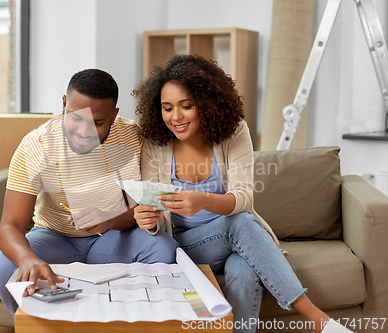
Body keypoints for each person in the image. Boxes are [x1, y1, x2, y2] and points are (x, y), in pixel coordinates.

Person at [132, 54, 353, 333]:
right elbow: (153, 208)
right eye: (167, 108)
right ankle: (318, 320)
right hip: (187, 245)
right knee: (240, 223)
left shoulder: (233, 132)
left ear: (206, 104)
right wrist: (147, 220)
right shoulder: (155, 143)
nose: (175, 117)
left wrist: (202, 200)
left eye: (186, 106)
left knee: (244, 271)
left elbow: (244, 197)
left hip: (236, 240)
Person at [0, 68, 178, 316]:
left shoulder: (131, 136)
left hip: (113, 237)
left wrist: (108, 218)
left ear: (114, 115)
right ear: (65, 103)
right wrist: (26, 258)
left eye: (97, 123)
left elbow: (137, 210)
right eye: (76, 117)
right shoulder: (36, 145)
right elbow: (9, 225)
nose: (83, 132)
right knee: (5, 267)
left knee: (165, 249)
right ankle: (35, 329)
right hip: (55, 237)